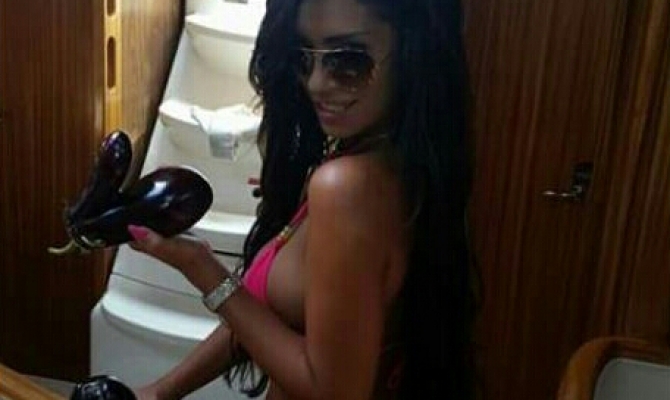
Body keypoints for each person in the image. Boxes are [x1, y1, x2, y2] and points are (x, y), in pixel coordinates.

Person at [127, 0, 479, 398]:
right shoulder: (394, 163)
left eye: (347, 61)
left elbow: (330, 391)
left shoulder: (346, 187)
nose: (316, 83)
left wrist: (202, 269)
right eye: (302, 57)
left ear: (412, 52)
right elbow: (265, 319)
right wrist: (161, 392)